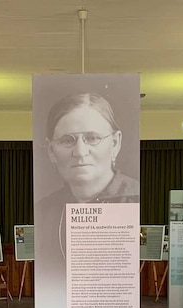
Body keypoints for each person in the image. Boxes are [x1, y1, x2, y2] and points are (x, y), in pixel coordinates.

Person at [36, 92, 139, 266]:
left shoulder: (137, 200)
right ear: (51, 151)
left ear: (115, 143)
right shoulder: (42, 212)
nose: (80, 151)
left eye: (92, 138)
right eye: (67, 140)